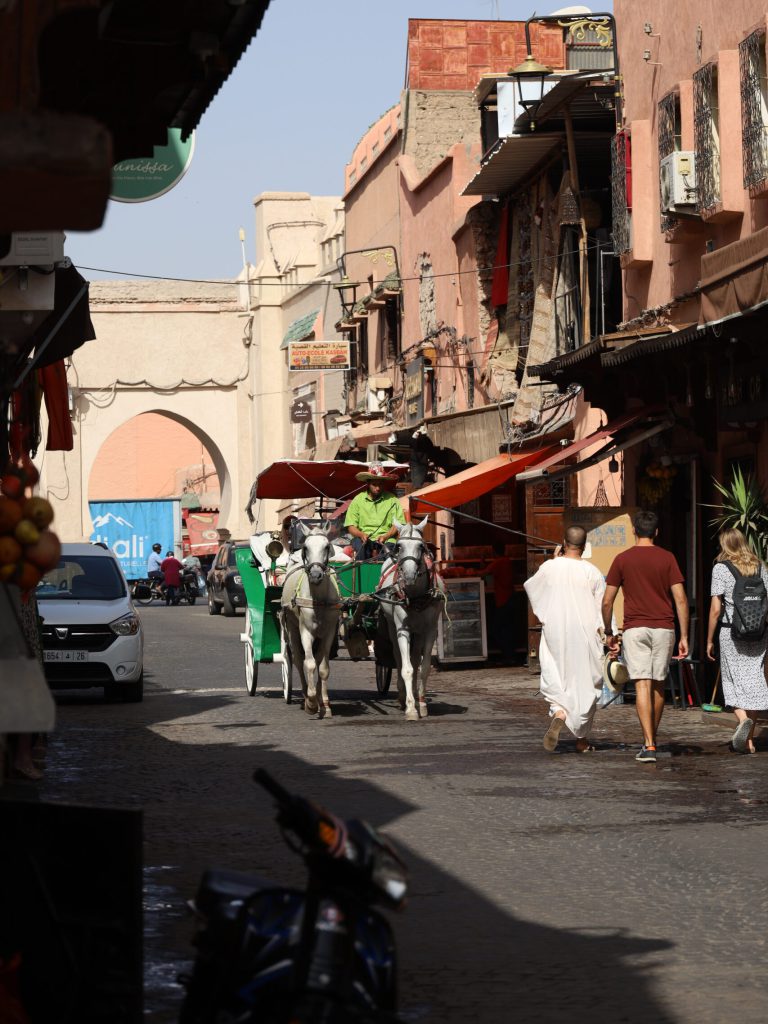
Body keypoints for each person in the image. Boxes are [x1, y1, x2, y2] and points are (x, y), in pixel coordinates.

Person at [602, 509, 689, 764]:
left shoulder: (622, 559)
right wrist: (684, 635)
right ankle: (652, 740)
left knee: (642, 684)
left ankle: (649, 744)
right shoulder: (668, 558)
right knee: (659, 683)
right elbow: (681, 599)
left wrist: (609, 632)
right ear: (656, 532)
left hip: (635, 629)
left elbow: (607, 601)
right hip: (664, 628)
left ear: (634, 531)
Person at [524, 526, 606, 753]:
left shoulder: (550, 568)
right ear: (584, 545)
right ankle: (581, 740)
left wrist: (553, 561)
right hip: (585, 634)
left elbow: (532, 588)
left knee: (555, 673)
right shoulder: (592, 572)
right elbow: (602, 607)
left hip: (556, 631)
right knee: (585, 682)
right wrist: (609, 633)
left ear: (563, 543)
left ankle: (559, 712)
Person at [706, 528, 768, 754]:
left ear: (725, 545)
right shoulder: (761, 567)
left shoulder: (721, 569)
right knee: (754, 679)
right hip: (759, 633)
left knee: (732, 680)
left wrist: (709, 639)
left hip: (731, 632)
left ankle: (742, 720)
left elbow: (715, 609)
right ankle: (749, 741)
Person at [344, 463, 402, 560]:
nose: (378, 488)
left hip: (387, 539)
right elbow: (350, 526)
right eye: (374, 485)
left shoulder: (393, 500)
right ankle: (361, 569)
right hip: (364, 539)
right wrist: (361, 534)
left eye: (380, 484)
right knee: (359, 546)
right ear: (368, 483)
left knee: (389, 555)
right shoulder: (358, 500)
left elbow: (397, 524)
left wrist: (386, 536)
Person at [485, 540, 515, 664]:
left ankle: (508, 656)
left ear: (494, 551)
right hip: (510, 597)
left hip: (502, 600)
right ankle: (510, 656)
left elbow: (484, 572)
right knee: (507, 629)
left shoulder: (498, 562)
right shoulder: (507, 561)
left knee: (496, 629)